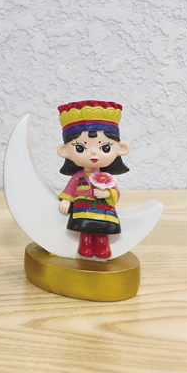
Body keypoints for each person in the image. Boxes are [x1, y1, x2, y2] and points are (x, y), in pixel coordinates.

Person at [56, 100, 130, 259]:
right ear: (64, 151)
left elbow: (116, 193)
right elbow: (70, 190)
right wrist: (66, 200)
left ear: (121, 149)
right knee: (85, 230)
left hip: (104, 212)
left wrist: (108, 194)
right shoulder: (78, 177)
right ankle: (85, 247)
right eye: (80, 148)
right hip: (83, 210)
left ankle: (103, 247)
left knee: (103, 230)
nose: (93, 153)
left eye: (105, 147)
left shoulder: (107, 178)